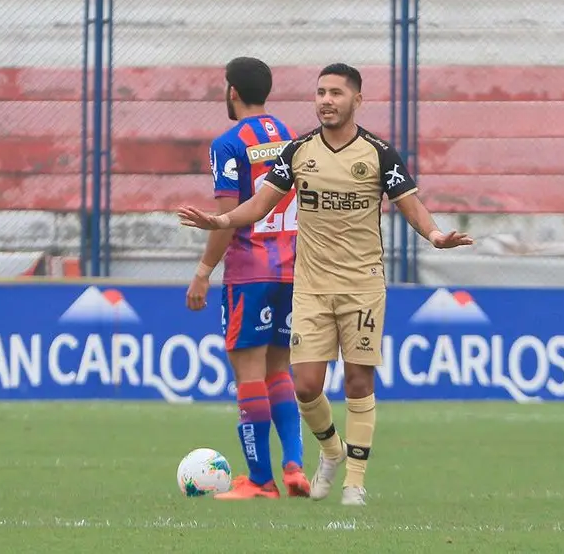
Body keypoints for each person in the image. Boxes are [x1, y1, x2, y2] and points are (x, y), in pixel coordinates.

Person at [178, 62, 473, 506]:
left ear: (357, 100)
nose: (326, 100)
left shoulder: (378, 152)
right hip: (306, 281)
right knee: (304, 384)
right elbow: (259, 204)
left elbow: (409, 203)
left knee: (354, 380)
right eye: (320, 93)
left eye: (336, 93)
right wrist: (220, 220)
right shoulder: (294, 146)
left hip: (353, 283)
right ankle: (327, 453)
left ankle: (348, 482)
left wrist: (434, 235)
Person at [185, 56, 310, 500]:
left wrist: (203, 273)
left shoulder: (228, 143)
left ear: (232, 91)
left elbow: (227, 216)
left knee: (249, 374)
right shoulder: (290, 137)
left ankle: (260, 480)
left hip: (250, 272)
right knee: (279, 369)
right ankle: (294, 465)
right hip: (293, 269)